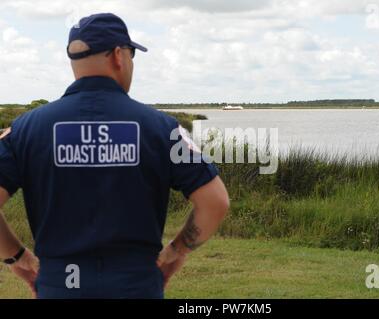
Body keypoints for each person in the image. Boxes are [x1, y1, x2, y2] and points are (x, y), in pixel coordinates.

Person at [0, 13, 229, 299]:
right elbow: (215, 202)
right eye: (133, 55)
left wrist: (16, 256)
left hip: (62, 284)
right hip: (136, 284)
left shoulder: (26, 130)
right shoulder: (163, 128)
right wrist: (176, 251)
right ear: (119, 55)